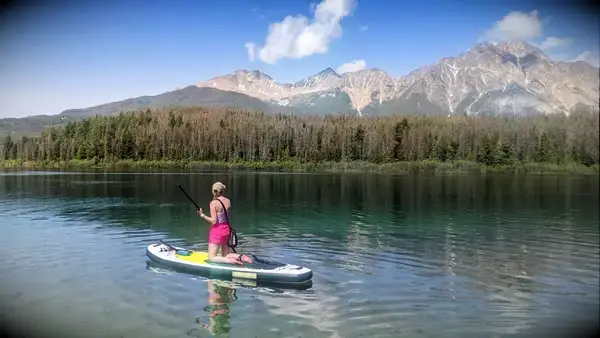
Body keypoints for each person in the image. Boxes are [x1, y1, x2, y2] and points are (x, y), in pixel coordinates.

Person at [197, 182, 253, 265]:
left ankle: (231, 261)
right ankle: (242, 257)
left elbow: (214, 221)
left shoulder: (213, 203)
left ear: (213, 191)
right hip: (227, 229)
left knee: (211, 257)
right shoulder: (228, 201)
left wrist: (202, 215)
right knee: (225, 254)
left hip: (217, 231)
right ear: (223, 191)